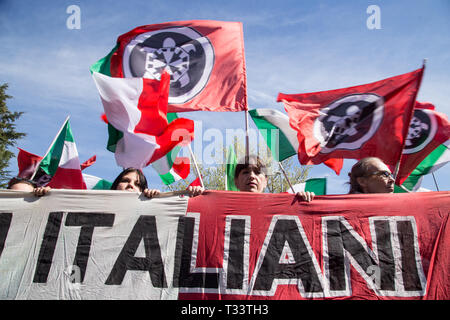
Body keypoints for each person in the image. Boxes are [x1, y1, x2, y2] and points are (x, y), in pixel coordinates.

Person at [234, 155, 315, 202]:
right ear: (236, 181)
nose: (252, 176)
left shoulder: (284, 204)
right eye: (245, 172)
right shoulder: (222, 206)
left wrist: (303, 204)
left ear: (265, 181)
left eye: (257, 172)